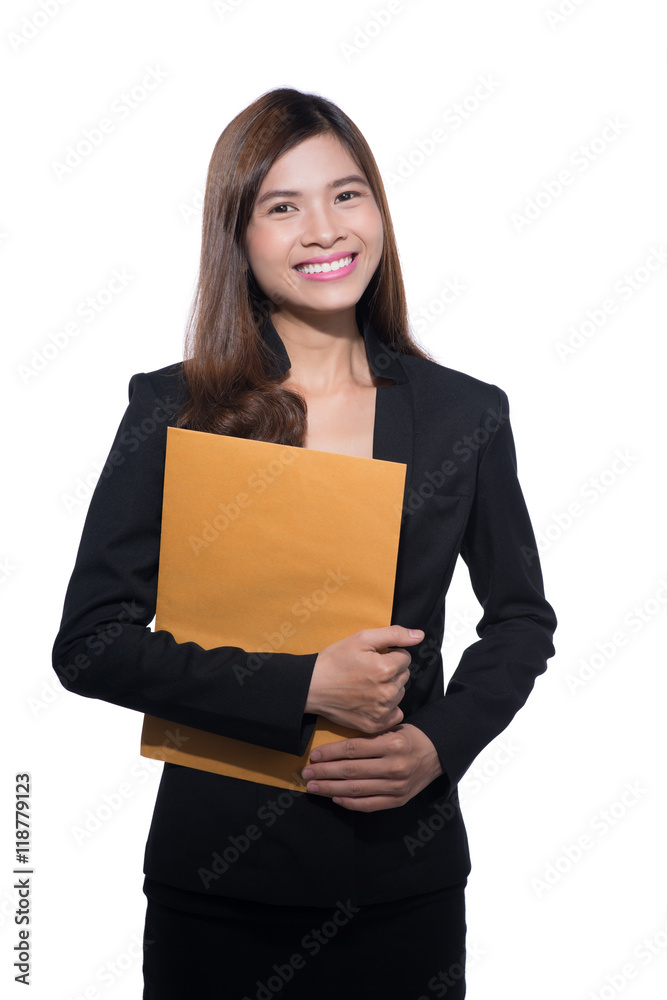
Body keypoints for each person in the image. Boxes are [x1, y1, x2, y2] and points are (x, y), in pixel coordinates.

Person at [52, 87, 557, 998]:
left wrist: (439, 745)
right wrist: (302, 686)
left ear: (378, 211)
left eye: (346, 194)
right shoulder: (175, 410)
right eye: (282, 207)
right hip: (217, 884)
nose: (324, 230)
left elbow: (520, 619)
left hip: (403, 880)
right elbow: (90, 645)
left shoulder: (465, 414)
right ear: (238, 239)